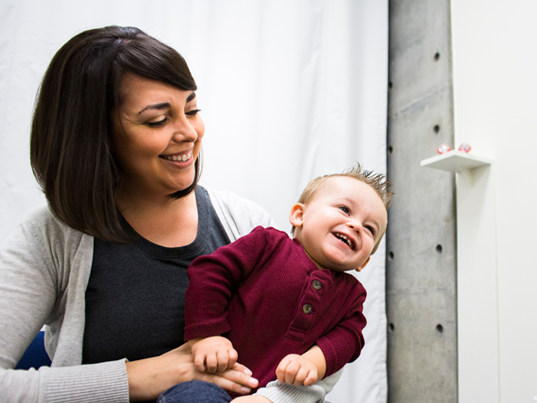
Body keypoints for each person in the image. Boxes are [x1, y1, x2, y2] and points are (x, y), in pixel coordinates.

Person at [0, 25, 341, 403]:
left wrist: (273, 400)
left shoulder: (244, 222)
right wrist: (138, 377)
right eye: (157, 120)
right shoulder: (49, 241)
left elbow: (320, 334)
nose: (189, 133)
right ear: (95, 135)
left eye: (192, 110)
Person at [182, 164, 394, 402]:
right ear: (299, 215)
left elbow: (349, 338)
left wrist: (311, 362)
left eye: (369, 229)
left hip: (276, 395)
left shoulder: (352, 295)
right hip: (209, 379)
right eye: (344, 209)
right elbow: (211, 273)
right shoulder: (267, 243)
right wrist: (207, 336)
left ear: (364, 262)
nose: (355, 225)